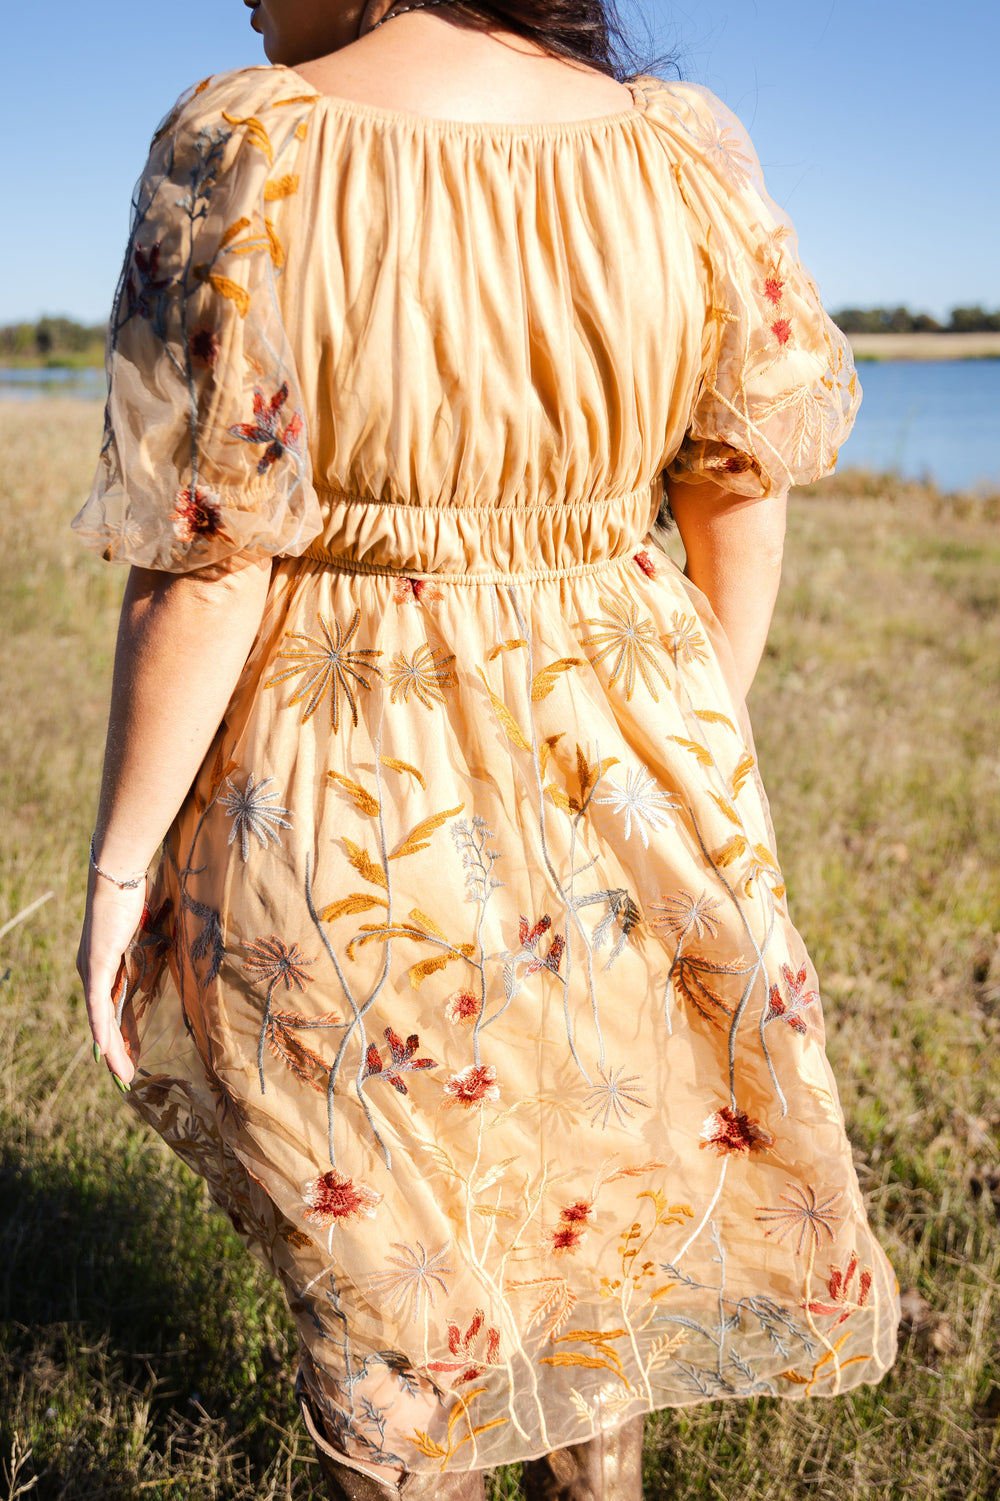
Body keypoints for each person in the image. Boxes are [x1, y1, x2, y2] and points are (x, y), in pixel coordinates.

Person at [73, 0, 900, 1496]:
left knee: (399, 1314)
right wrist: (676, 734)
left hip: (341, 809)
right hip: (627, 780)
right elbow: (740, 485)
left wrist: (119, 861)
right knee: (590, 1243)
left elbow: (211, 554)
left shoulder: (248, 145)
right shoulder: (683, 152)